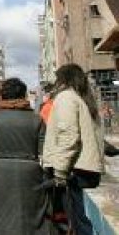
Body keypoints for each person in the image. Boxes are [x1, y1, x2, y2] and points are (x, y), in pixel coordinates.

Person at [0, 78, 51, 235]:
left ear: (3, 96)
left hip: (0, 173)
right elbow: (45, 152)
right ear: (24, 95)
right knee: (31, 215)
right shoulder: (36, 119)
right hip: (30, 173)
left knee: (0, 214)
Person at [43, 64, 105, 235]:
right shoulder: (84, 99)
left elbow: (68, 136)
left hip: (74, 170)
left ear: (63, 80)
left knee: (78, 223)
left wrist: (60, 172)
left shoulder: (66, 98)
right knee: (83, 221)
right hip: (87, 170)